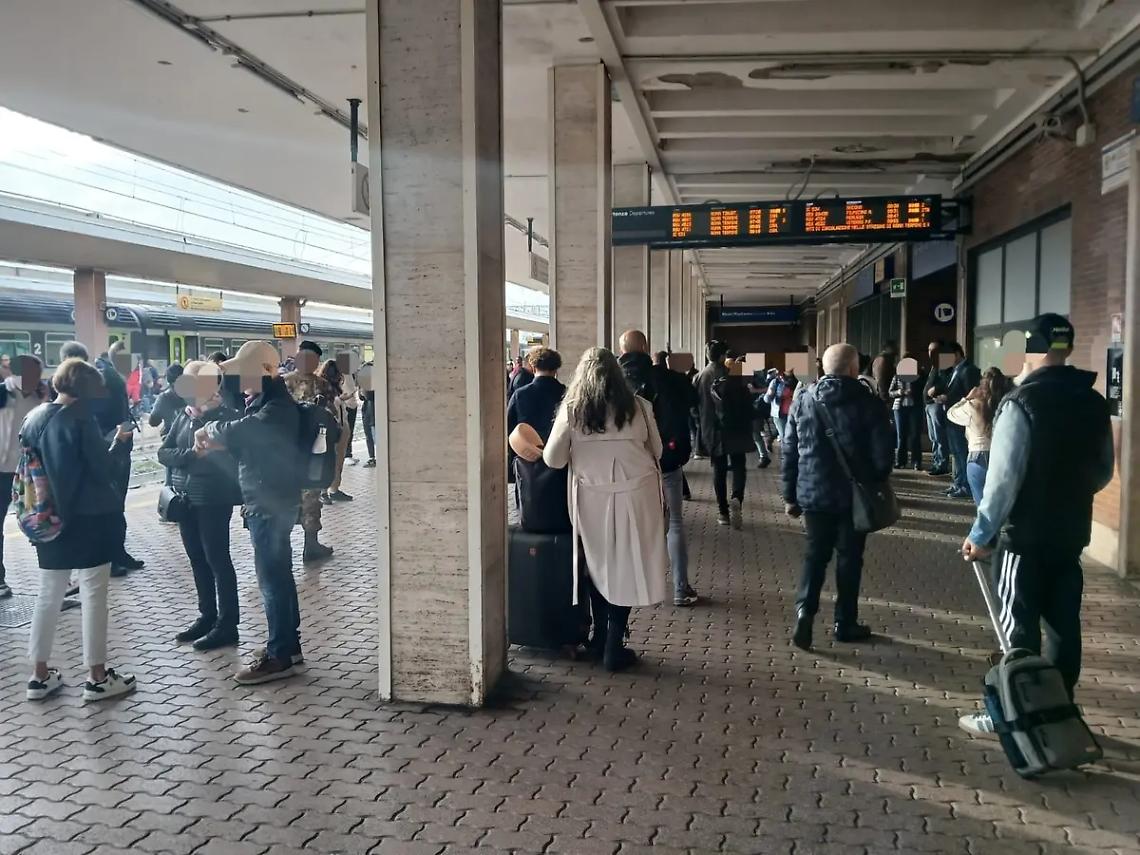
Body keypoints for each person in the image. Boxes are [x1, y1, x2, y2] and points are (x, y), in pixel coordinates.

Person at [960, 315, 1114, 734]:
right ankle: (1060, 707)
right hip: (1070, 532)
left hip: (1023, 537)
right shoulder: (1092, 400)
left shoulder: (1021, 402)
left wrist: (981, 533)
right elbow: (1103, 471)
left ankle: (1011, 713)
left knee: (1017, 627)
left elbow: (1003, 478)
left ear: (1030, 350)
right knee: (1064, 625)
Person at [543, 347, 667, 671]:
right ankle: (614, 643)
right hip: (638, 497)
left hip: (592, 499)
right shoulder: (639, 406)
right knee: (626, 564)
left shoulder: (572, 410)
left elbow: (553, 459)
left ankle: (599, 639)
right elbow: (657, 450)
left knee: (597, 565)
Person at [20, 358, 137, 702]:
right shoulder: (81, 421)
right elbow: (104, 471)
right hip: (87, 519)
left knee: (48, 595)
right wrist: (120, 442)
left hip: (48, 518)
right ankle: (97, 677)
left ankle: (39, 676)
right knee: (93, 594)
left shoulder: (34, 417)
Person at [198, 341, 304, 684]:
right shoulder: (267, 402)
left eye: (244, 370)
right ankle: (288, 645)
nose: (238, 377)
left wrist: (210, 431)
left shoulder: (274, 408)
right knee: (279, 576)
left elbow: (241, 431)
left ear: (263, 372)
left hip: (270, 503)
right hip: (271, 499)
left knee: (272, 579)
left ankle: (278, 655)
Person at [781, 343, 895, 650]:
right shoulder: (868, 402)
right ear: (854, 368)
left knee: (815, 556)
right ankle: (845, 623)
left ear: (823, 368)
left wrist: (789, 495)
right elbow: (884, 457)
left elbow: (789, 450)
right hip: (853, 497)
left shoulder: (804, 399)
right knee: (849, 559)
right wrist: (874, 480)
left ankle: (805, 613)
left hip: (813, 494)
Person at [158, 361, 243, 651]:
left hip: (213, 498)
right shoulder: (183, 417)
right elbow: (164, 452)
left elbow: (226, 458)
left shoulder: (227, 417)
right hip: (185, 498)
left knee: (217, 559)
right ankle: (207, 616)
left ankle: (227, 624)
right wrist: (190, 454)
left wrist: (197, 451)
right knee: (196, 557)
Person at [618, 331, 699, 608]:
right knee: (673, 523)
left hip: (630, 467)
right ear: (645, 347)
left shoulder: (612, 382)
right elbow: (693, 400)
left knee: (634, 527)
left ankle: (636, 588)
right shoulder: (666, 378)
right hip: (667, 461)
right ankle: (680, 588)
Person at [89, 340, 144, 576]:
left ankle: (118, 554)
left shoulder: (109, 376)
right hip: (114, 447)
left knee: (116, 505)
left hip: (117, 446)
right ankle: (113, 558)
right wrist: (116, 436)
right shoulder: (108, 378)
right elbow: (101, 415)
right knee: (113, 505)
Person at [0, 355, 50, 598]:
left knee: (41, 518)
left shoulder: (41, 395)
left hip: (30, 471)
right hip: (1, 470)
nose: (35, 379)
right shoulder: (3, 393)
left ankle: (54, 574)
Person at [284, 340, 336, 562]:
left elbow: (330, 413)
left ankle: (310, 545)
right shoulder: (283, 382)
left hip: (311, 449)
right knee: (292, 496)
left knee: (311, 496)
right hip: (293, 449)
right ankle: (293, 544)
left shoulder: (322, 385)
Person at [696, 342, 754, 528]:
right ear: (722, 356)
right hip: (734, 427)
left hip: (712, 429)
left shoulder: (700, 377)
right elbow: (746, 400)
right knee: (738, 465)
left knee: (718, 470)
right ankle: (737, 497)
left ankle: (723, 512)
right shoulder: (732, 375)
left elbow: (695, 407)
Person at [946, 367, 1013, 504]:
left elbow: (951, 413)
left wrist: (967, 398)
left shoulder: (973, 405)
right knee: (999, 506)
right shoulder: (1006, 405)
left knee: (982, 506)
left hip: (978, 456)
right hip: (1001, 455)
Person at [938, 343, 981, 500]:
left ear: (956, 354)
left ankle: (966, 487)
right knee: (956, 454)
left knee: (962, 454)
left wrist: (948, 398)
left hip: (962, 420)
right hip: (952, 418)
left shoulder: (969, 370)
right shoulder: (954, 371)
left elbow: (972, 394)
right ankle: (958, 483)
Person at [318, 358, 353, 504]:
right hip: (335, 428)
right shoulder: (327, 390)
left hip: (333, 428)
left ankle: (329, 490)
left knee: (331, 460)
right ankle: (327, 491)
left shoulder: (323, 387)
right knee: (334, 460)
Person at [887, 361, 923, 470]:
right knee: (901, 435)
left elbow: (922, 391)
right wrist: (900, 392)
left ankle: (916, 461)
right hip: (900, 408)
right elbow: (890, 392)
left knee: (915, 435)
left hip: (914, 408)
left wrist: (913, 392)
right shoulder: (897, 377)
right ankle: (900, 461)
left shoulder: (918, 378)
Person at [923, 340, 949, 476]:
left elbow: (946, 381)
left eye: (933, 351)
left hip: (935, 404)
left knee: (939, 436)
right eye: (928, 350)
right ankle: (936, 462)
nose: (930, 353)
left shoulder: (943, 364)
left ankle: (942, 464)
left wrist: (936, 389)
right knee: (933, 437)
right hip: (929, 405)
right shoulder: (934, 365)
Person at [149, 363, 186, 438]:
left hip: (172, 440)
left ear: (169, 382)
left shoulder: (164, 398)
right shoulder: (195, 394)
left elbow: (153, 422)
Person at [764, 368, 798, 444]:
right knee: (785, 438)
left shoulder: (798, 381)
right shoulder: (776, 382)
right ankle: (786, 454)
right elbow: (766, 400)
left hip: (795, 413)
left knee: (796, 437)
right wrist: (770, 394)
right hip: (780, 415)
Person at [341, 361, 359, 465]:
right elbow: (351, 389)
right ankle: (347, 454)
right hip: (347, 404)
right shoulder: (345, 374)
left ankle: (349, 453)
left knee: (350, 430)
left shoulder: (351, 373)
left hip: (352, 404)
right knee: (347, 430)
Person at [871, 340, 898, 406]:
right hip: (885, 398)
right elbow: (881, 380)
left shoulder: (884, 360)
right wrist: (885, 398)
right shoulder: (883, 361)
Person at [360, 361, 376, 467]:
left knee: (371, 435)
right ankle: (372, 457)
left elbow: (366, 396)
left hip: (371, 410)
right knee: (370, 434)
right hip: (368, 409)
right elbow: (362, 397)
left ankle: (372, 457)